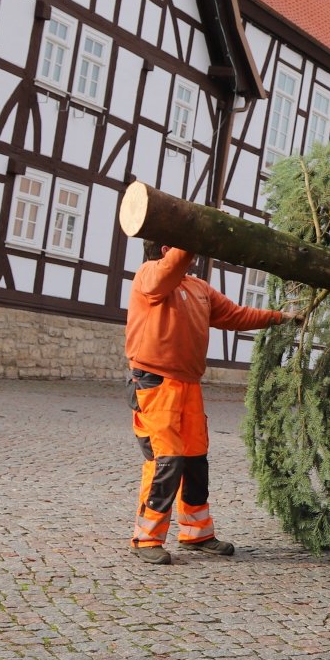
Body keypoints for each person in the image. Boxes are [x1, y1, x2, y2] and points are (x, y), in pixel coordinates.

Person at [125, 241, 299, 565]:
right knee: (166, 460)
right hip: (155, 383)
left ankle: (196, 533)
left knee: (194, 460)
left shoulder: (198, 288)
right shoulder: (150, 276)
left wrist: (280, 318)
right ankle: (146, 538)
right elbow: (172, 265)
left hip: (189, 384)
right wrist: (194, 233)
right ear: (166, 250)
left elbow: (236, 315)